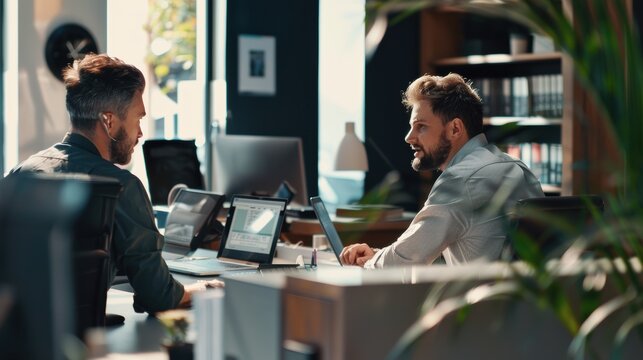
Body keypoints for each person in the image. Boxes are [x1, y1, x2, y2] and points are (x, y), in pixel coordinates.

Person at [7, 54, 221, 313]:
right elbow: (158, 297)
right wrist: (206, 289)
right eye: (138, 119)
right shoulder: (120, 185)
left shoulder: (22, 172)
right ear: (109, 121)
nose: (140, 133)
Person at [340, 73, 544, 268]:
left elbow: (404, 261)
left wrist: (366, 265)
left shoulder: (461, 179)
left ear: (455, 129)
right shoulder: (519, 168)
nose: (409, 137)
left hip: (476, 303)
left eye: (421, 126)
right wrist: (378, 255)